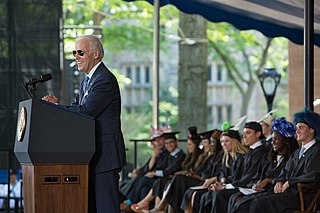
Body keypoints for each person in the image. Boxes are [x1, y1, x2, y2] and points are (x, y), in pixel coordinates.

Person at [43, 35, 126, 213]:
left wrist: (58, 108)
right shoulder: (87, 80)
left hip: (105, 156)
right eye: (74, 53)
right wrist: (57, 108)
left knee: (106, 208)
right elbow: (76, 107)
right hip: (91, 154)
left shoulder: (104, 79)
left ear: (96, 54)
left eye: (80, 52)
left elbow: (86, 112)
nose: (76, 57)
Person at [249, 109, 320, 213]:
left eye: (301, 127)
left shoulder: (317, 150)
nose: (297, 131)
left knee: (259, 204)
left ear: (312, 130)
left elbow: (313, 175)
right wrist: (279, 181)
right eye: (296, 128)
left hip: (303, 197)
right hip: (289, 194)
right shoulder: (297, 152)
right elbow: (285, 171)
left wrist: (290, 182)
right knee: (252, 201)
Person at [227, 117, 298, 213]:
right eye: (272, 139)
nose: (272, 142)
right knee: (234, 198)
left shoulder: (292, 159)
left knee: (244, 205)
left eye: (276, 139)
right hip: (262, 191)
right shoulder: (268, 158)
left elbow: (285, 178)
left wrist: (269, 181)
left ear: (286, 140)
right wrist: (257, 184)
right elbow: (258, 176)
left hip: (277, 194)